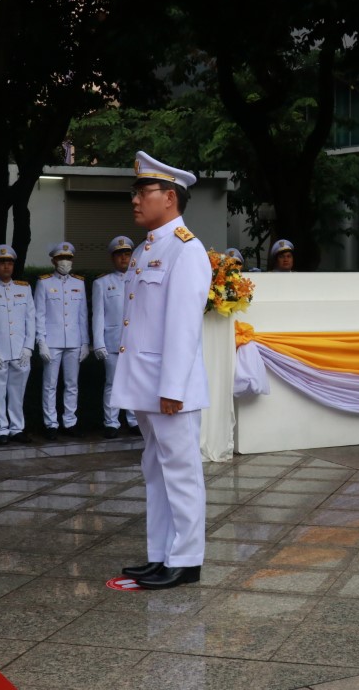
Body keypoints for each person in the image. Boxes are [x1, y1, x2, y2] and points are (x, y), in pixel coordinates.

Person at [116, 151, 211, 590]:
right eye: (135, 192)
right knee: (155, 470)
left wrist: (172, 387)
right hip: (145, 384)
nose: (135, 200)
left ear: (169, 197)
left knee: (181, 471)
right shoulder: (144, 250)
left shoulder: (186, 249)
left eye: (144, 191)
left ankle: (187, 559)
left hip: (170, 388)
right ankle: (161, 554)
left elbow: (183, 326)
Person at [0, 245, 35, 445]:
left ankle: (17, 428)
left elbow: (31, 319)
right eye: (2, 262)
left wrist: (28, 347)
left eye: (9, 262)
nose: (6, 266)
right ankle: (1, 428)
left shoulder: (24, 289)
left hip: (20, 350)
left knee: (17, 393)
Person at [35, 241, 89, 439]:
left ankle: (70, 422)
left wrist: (85, 342)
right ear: (54, 261)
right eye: (61, 258)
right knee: (50, 384)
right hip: (52, 341)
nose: (65, 262)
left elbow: (83, 315)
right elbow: (39, 314)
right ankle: (51, 423)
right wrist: (41, 341)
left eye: (68, 258)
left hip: (74, 340)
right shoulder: (44, 283)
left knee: (72, 384)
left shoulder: (79, 283)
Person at [92, 235, 140, 438]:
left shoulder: (139, 279)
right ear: (113, 258)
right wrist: (98, 343)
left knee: (133, 382)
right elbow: (98, 315)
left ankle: (134, 420)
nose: (123, 258)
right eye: (119, 254)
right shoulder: (102, 283)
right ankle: (111, 422)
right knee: (112, 383)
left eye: (127, 254)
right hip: (112, 340)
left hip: (135, 341)